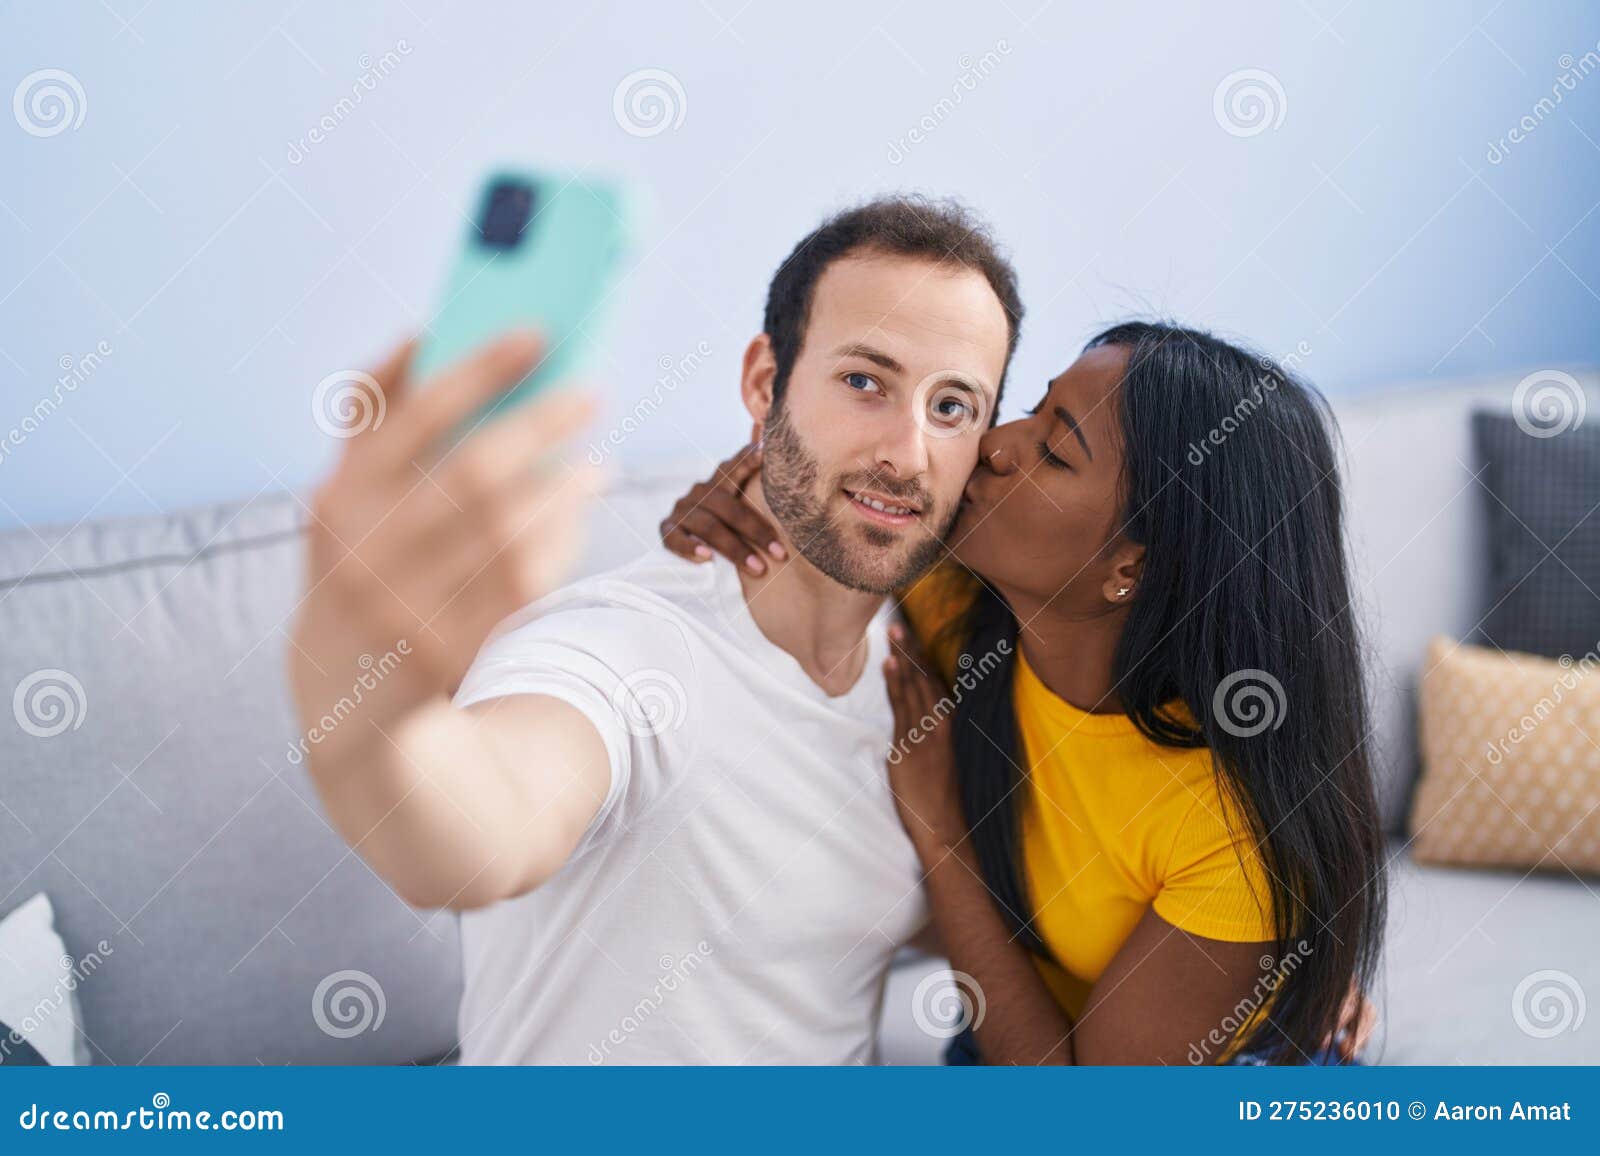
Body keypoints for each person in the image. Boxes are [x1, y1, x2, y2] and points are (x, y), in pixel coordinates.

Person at [289, 196, 1023, 1062]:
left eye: (952, 408)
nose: (909, 452)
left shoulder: (926, 661)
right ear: (764, 381)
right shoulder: (622, 653)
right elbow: (465, 842)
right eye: (865, 382)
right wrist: (365, 652)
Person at [661, 321, 1386, 1064]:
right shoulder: (959, 608)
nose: (998, 442)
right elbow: (814, 529)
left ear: (1131, 567)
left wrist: (942, 833)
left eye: (1056, 449)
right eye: (1035, 407)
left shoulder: (1228, 832)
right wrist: (742, 497)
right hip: (1018, 1026)